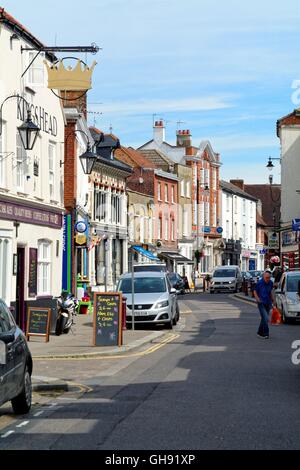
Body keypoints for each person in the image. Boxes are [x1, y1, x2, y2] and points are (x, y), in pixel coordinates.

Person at [253, 269, 276, 339]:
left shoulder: (271, 283)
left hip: (268, 303)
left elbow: (271, 292)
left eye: (269, 277)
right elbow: (255, 291)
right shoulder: (260, 283)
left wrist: (273, 300)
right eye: (266, 278)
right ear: (263, 277)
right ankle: (266, 334)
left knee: (263, 319)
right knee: (266, 318)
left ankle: (259, 332)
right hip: (261, 303)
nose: (267, 279)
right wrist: (257, 299)